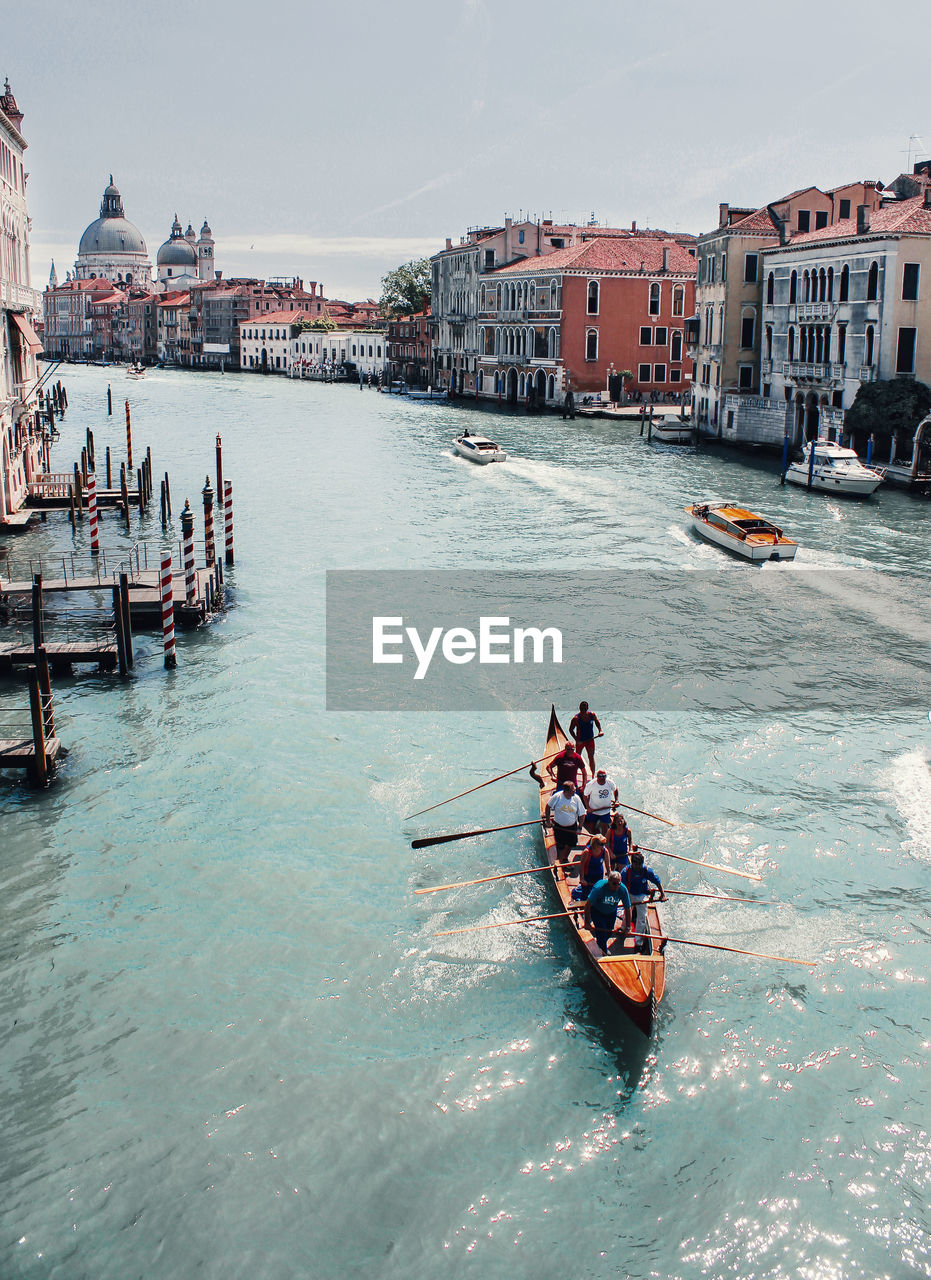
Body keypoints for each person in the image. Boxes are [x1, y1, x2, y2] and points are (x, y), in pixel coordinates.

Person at [622, 851, 666, 954]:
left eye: (640, 864)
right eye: (636, 864)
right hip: (628, 893)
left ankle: (638, 943)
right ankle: (624, 927)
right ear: (632, 863)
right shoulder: (625, 872)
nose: (638, 867)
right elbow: (621, 887)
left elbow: (657, 881)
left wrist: (663, 894)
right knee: (627, 912)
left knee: (641, 919)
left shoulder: (646, 871)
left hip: (641, 895)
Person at [584, 870, 631, 954]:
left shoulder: (623, 890)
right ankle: (603, 953)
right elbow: (587, 905)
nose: (617, 886)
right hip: (597, 912)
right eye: (614, 884)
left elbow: (627, 908)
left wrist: (628, 926)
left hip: (611, 912)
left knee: (609, 932)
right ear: (609, 881)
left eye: (618, 884)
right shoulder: (599, 888)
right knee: (602, 934)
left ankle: (600, 946)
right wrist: (587, 922)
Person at [544, 780, 586, 863]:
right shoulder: (557, 796)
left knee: (571, 844)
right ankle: (559, 859)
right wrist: (548, 821)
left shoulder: (576, 798)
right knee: (560, 845)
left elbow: (582, 814)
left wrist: (580, 827)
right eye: (573, 789)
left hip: (572, 827)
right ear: (566, 791)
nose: (575, 790)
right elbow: (548, 807)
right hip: (558, 827)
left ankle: (564, 858)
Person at [570, 833, 611, 901]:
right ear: (595, 844)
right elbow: (582, 867)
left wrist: (610, 877)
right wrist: (582, 879)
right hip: (587, 875)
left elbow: (608, 866)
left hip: (598, 875)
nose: (603, 846)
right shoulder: (586, 852)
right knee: (586, 895)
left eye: (604, 844)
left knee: (598, 893)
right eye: (601, 844)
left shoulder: (605, 851)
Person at [583, 767, 618, 832]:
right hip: (593, 810)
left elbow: (615, 790)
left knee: (604, 829)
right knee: (592, 827)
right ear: (597, 776)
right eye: (600, 776)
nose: (602, 778)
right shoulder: (591, 784)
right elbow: (585, 796)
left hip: (605, 810)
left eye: (604, 776)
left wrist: (616, 800)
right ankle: (593, 838)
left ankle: (604, 840)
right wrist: (588, 807)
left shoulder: (610, 782)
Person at [569, 701, 601, 772]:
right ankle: (574, 772)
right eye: (581, 707)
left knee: (591, 757)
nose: (583, 709)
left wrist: (600, 730)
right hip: (580, 741)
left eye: (584, 707)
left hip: (590, 740)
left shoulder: (592, 715)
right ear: (579, 708)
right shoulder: (576, 718)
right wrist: (576, 740)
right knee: (577, 757)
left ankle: (592, 775)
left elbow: (597, 722)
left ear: (587, 708)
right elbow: (571, 730)